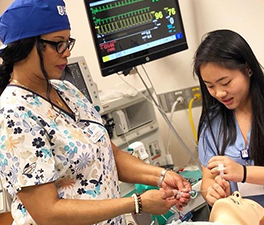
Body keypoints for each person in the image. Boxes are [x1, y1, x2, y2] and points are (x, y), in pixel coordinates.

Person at [0, 0, 192, 224]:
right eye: (58, 44)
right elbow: (48, 213)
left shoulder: (67, 91)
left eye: (68, 42)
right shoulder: (14, 114)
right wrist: (136, 203)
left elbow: (111, 156)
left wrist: (161, 176)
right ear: (24, 47)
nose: (67, 52)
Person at [193, 29, 264, 219]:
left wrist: (244, 173)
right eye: (210, 86)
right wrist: (212, 193)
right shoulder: (213, 122)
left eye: (225, 82)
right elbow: (208, 179)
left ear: (248, 68)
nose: (219, 93)